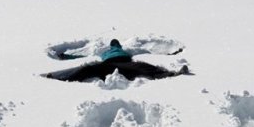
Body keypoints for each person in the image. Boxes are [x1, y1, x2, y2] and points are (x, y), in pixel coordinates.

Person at [43, 39, 190, 83]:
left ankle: (171, 74)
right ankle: (58, 77)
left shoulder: (129, 50)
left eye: (116, 44)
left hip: (125, 62)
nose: (115, 45)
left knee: (144, 66)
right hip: (108, 64)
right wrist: (66, 57)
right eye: (114, 44)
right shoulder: (103, 52)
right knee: (86, 68)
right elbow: (83, 56)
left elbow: (149, 51)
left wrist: (173, 52)